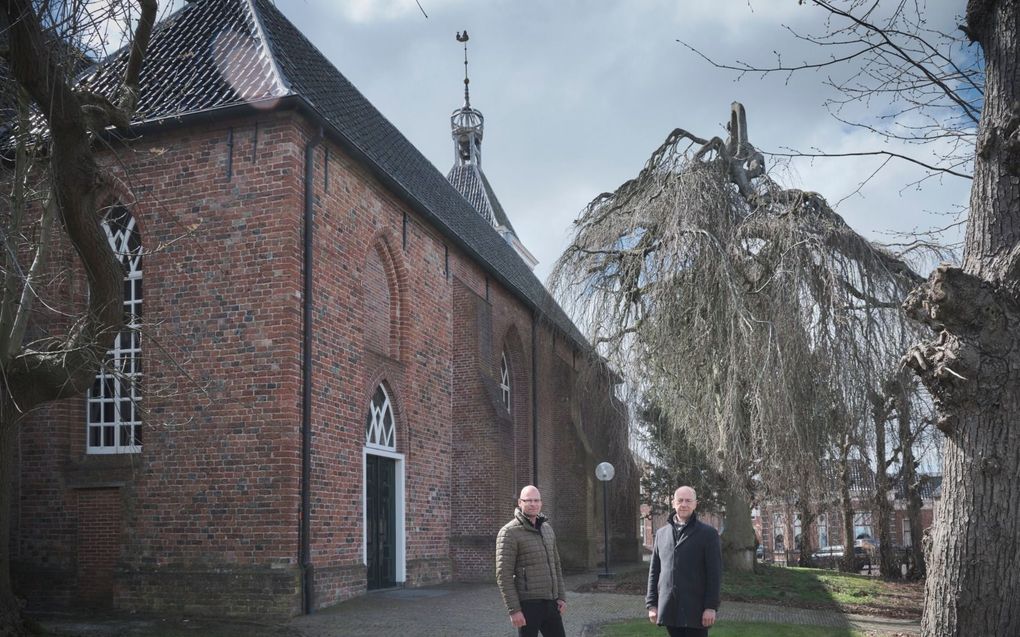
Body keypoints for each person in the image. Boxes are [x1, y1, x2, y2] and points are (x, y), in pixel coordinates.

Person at [645, 486, 722, 636]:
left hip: (697, 609)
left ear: (695, 504)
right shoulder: (661, 534)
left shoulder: (708, 534)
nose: (684, 504)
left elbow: (715, 574)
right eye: (680, 500)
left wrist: (711, 607)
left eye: (688, 500)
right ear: (673, 503)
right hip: (669, 608)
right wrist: (651, 604)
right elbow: (654, 571)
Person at [496, 485, 567, 637]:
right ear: (520, 503)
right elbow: (503, 575)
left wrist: (561, 596)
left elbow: (556, 565)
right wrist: (514, 610)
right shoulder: (509, 532)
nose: (533, 504)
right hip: (528, 606)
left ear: (541, 503)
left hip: (551, 602)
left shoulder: (547, 529)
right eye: (528, 500)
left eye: (536, 500)